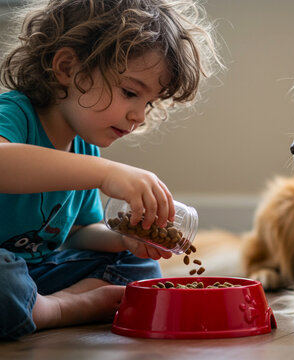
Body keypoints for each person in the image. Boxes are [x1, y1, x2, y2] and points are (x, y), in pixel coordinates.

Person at [0, 0, 221, 340]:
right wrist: (105, 173)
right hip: (6, 273)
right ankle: (58, 309)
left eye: (148, 102)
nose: (140, 116)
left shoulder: (84, 144)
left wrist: (124, 238)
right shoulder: (14, 114)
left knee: (141, 270)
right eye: (130, 92)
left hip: (34, 273)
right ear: (67, 67)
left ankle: (39, 304)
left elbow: (78, 232)